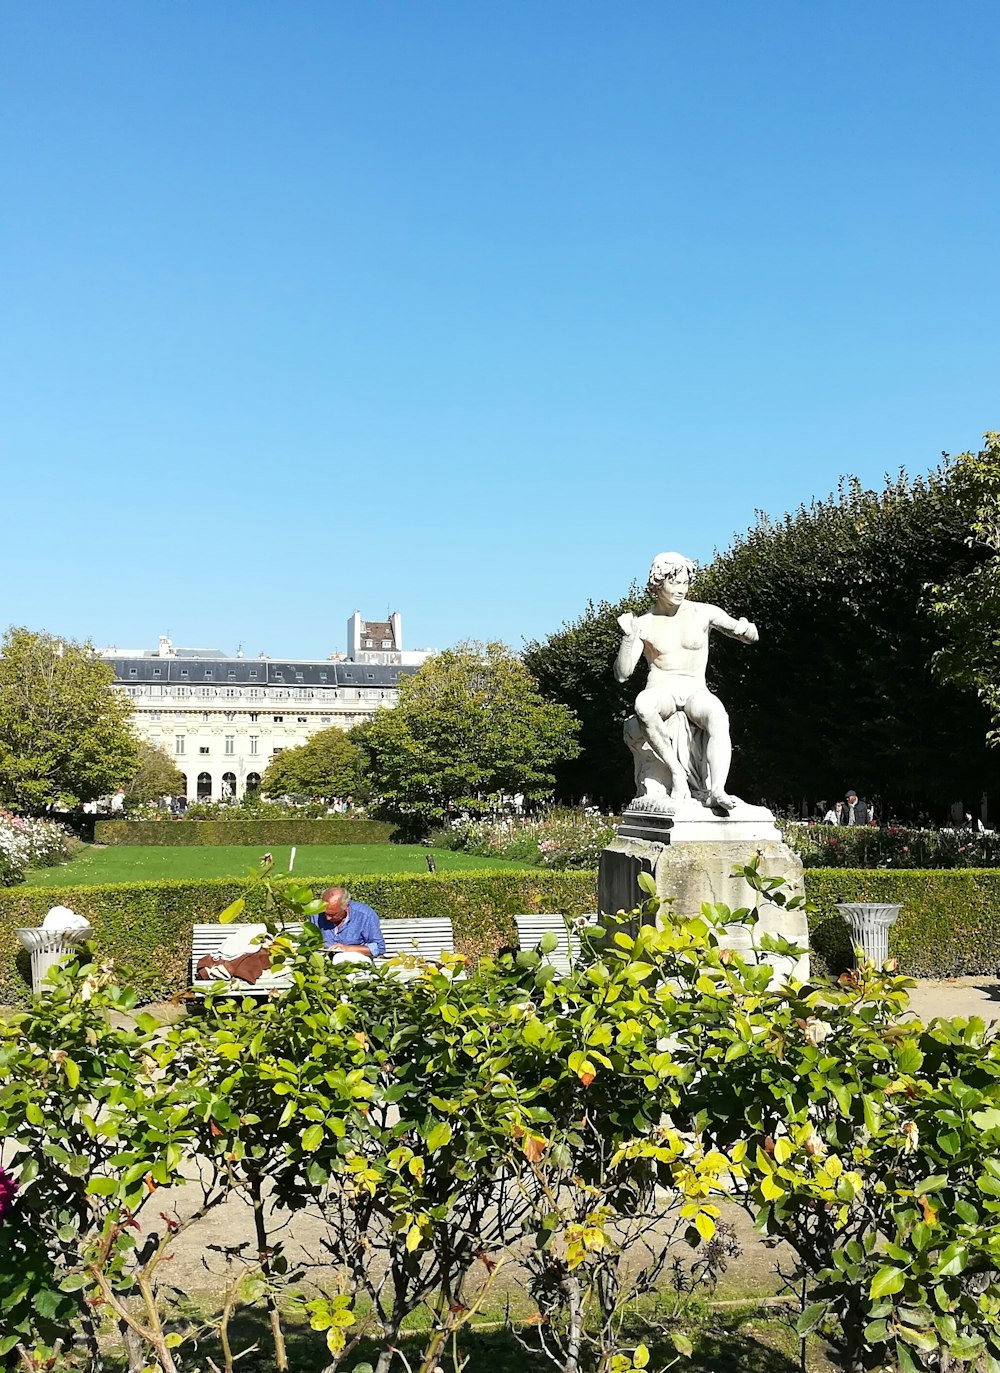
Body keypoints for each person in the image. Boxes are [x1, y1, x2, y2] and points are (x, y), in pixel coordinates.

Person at [615, 551, 758, 811]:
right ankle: (676, 772)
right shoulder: (644, 623)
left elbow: (747, 634)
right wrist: (628, 637)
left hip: (694, 690)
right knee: (643, 704)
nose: (681, 589)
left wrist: (746, 630)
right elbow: (623, 674)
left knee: (717, 714)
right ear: (658, 584)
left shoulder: (703, 613)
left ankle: (717, 790)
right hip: (662, 690)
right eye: (675, 583)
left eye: (685, 583)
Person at [311, 886, 386, 964]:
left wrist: (346, 948)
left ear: (346, 908)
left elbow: (378, 948)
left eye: (333, 914)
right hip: (324, 962)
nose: (328, 918)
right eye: (325, 913)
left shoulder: (364, 915)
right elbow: (310, 943)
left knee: (340, 959)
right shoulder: (316, 914)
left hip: (357, 963)